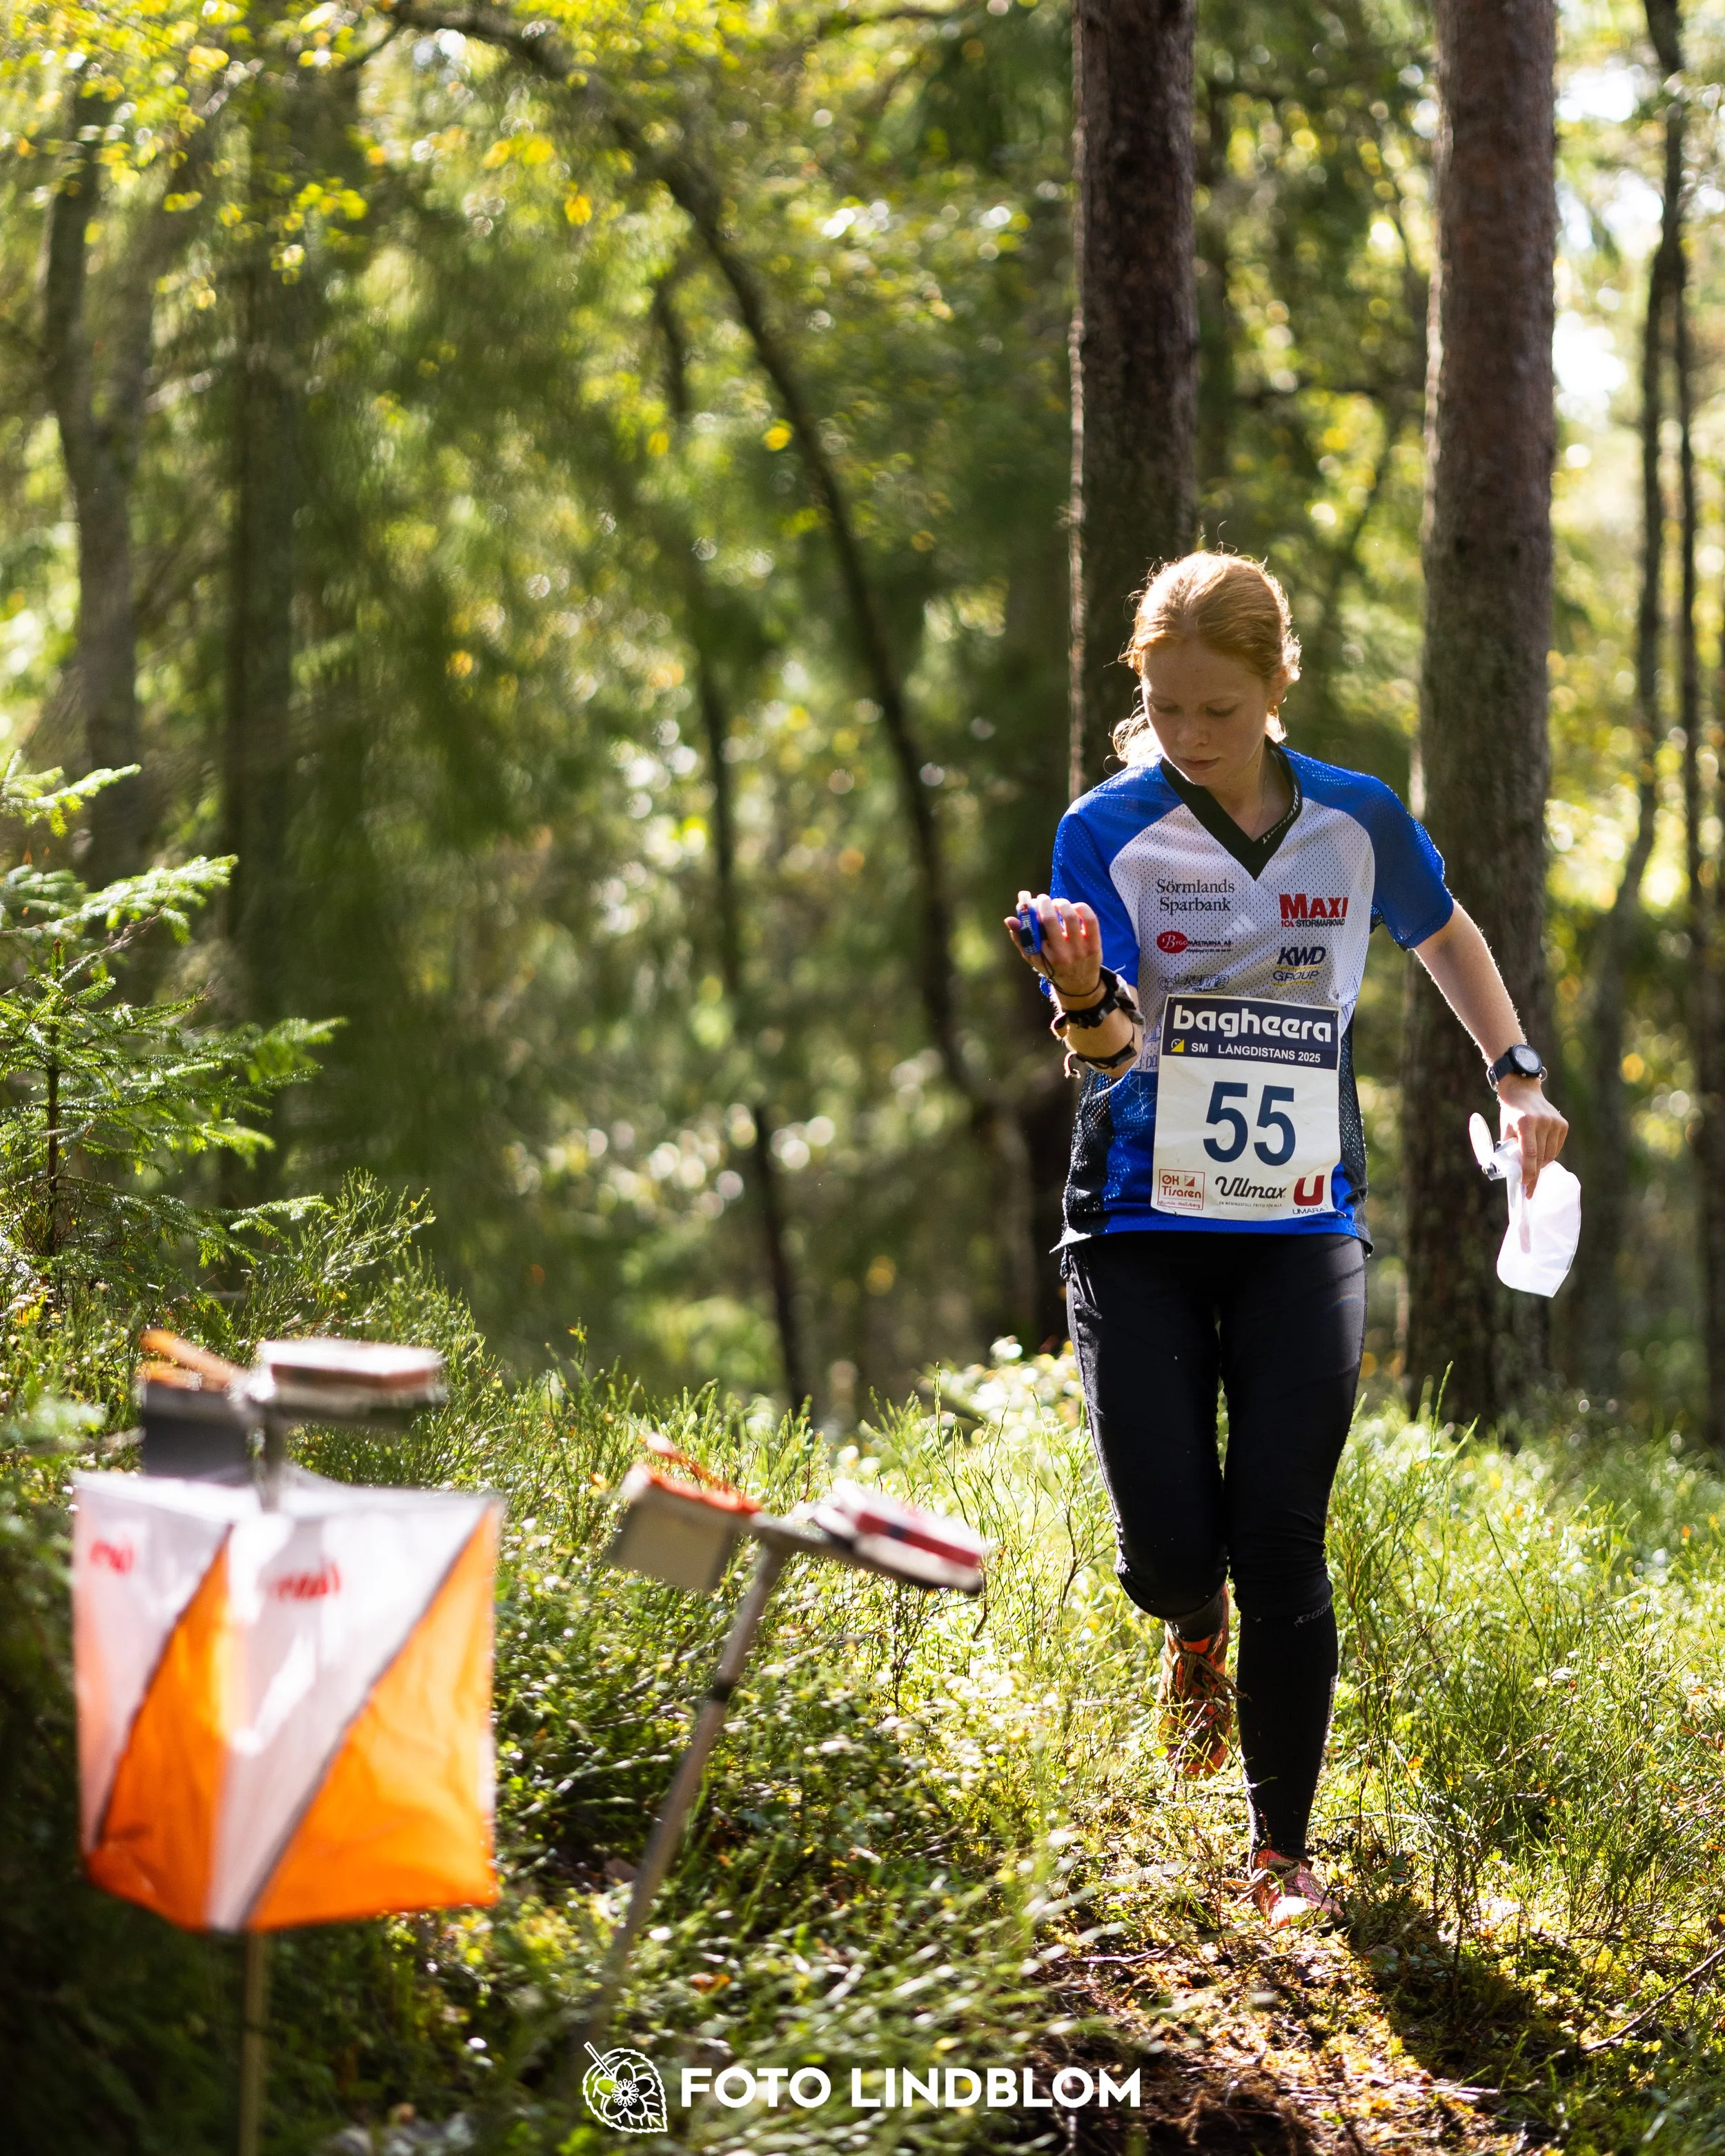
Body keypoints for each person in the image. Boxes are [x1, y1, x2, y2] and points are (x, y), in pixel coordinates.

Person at [1005, 551, 1567, 1928]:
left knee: (1279, 1529)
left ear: (1273, 686)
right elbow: (1110, 1049)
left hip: (1299, 1218)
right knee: (1165, 1554)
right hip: (1136, 1219)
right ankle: (1188, 1633)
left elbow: (1444, 935)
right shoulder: (1108, 827)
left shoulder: (1354, 818)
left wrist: (1515, 1071)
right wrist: (1081, 990)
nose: (1188, 737)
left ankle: (1278, 1851)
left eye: (1215, 709)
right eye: (1163, 708)